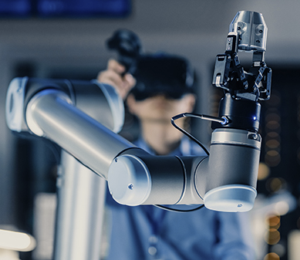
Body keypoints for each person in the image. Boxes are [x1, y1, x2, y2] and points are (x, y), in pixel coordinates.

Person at [97, 55, 255, 260]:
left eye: (171, 90)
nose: (160, 96)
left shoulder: (215, 167)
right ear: (131, 102)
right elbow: (81, 189)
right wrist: (100, 104)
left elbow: (237, 247)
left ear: (190, 102)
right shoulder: (109, 163)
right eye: (149, 89)